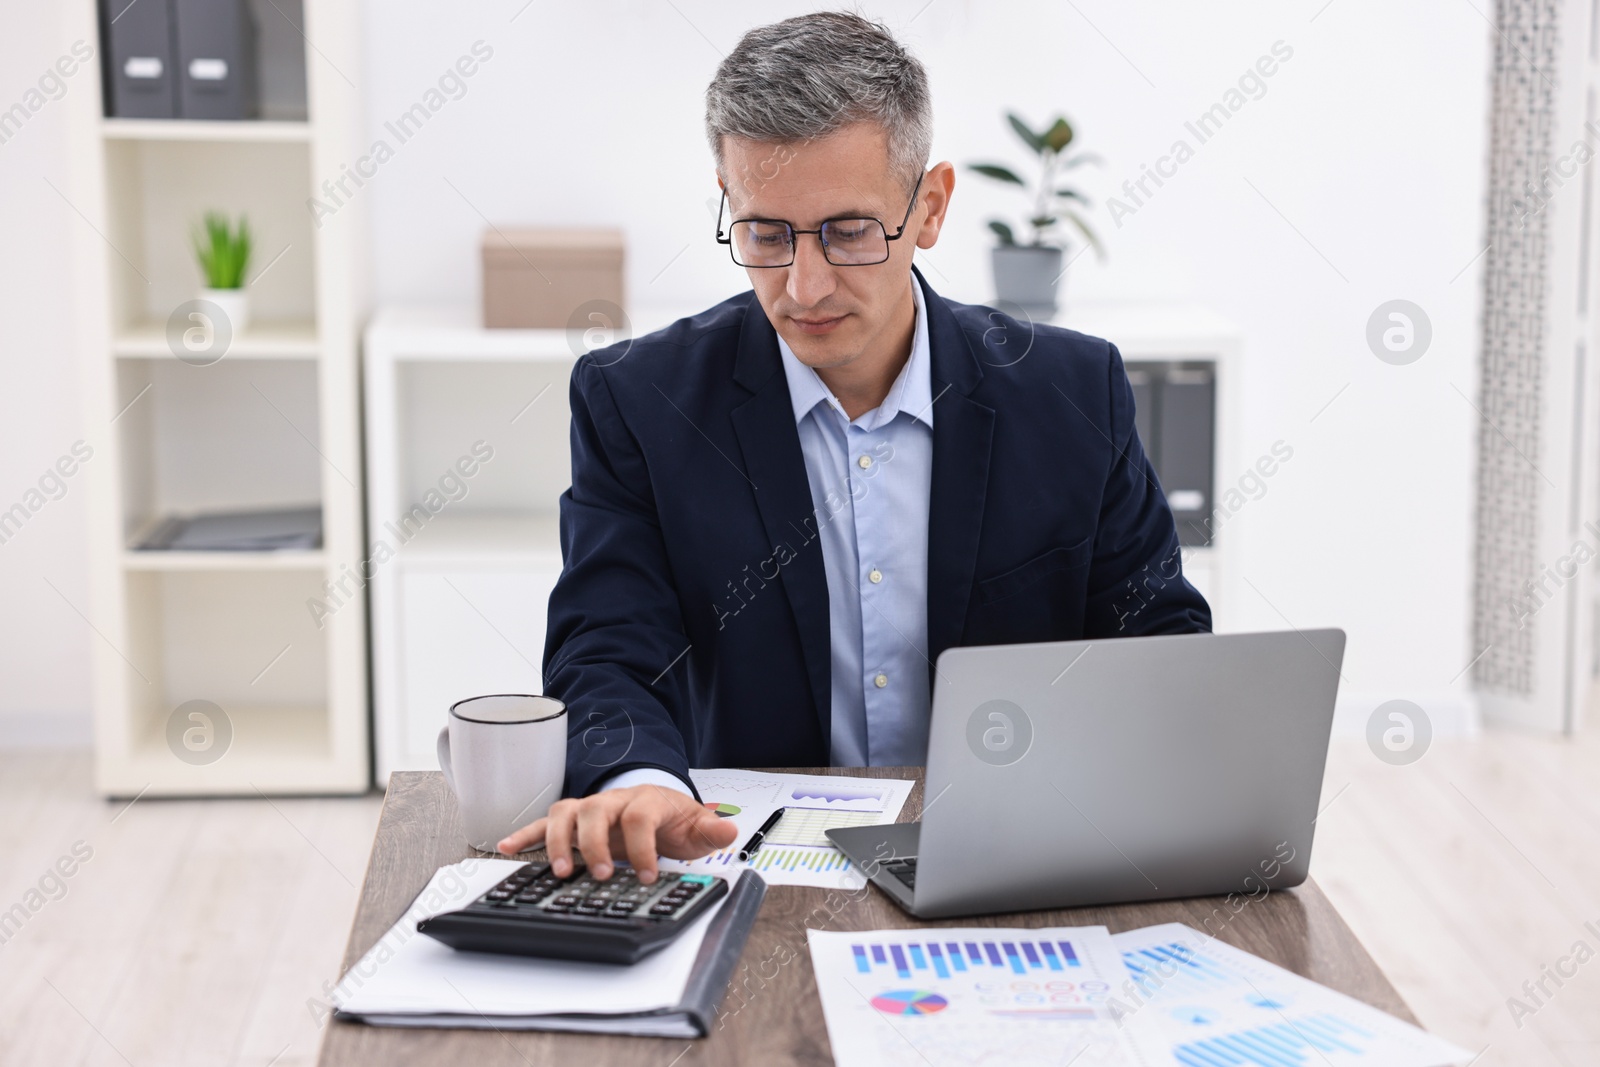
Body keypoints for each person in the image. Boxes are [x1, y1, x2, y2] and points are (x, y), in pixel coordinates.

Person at [496, 12, 1210, 882]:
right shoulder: (639, 403)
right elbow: (606, 646)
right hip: (743, 866)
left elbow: (1156, 639)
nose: (804, 286)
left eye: (847, 231)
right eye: (765, 233)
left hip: (1016, 858)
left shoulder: (1070, 392)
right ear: (728, 199)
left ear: (931, 207)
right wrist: (641, 782)